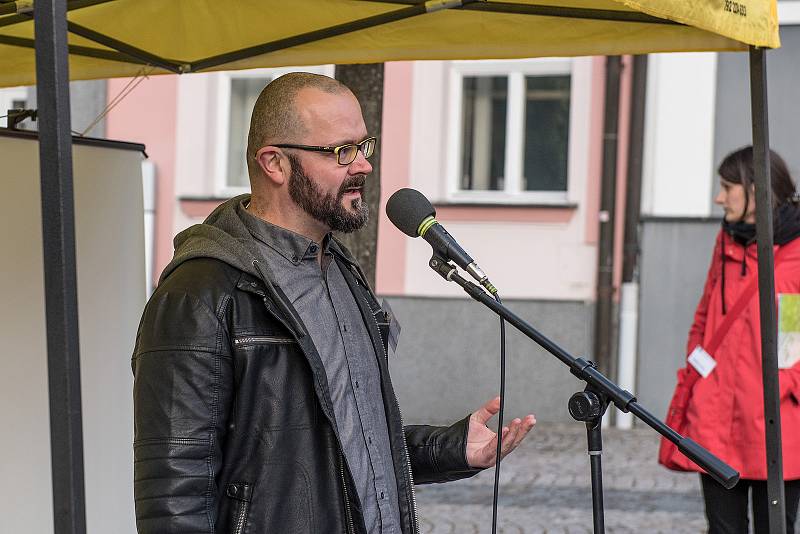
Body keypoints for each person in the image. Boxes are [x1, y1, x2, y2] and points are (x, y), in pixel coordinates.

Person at [131, 72, 536, 534]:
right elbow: (173, 495)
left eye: (365, 146)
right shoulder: (198, 294)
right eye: (342, 151)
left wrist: (449, 449)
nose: (363, 165)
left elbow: (345, 445)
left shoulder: (342, 273)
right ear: (275, 163)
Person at [680, 146, 800, 533]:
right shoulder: (726, 240)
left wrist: (789, 383)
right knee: (722, 530)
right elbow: (705, 313)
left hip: (776, 420)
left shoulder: (796, 251)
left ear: (755, 188)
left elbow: (794, 330)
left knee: (774, 528)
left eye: (727, 187)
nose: (719, 198)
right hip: (717, 418)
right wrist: (699, 374)